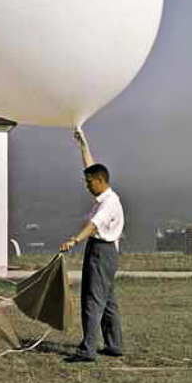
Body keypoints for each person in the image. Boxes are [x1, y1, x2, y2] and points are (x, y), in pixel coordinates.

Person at [60, 127, 124, 363]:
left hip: (102, 252)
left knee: (93, 299)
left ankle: (88, 350)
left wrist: (74, 241)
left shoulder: (109, 204)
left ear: (100, 181)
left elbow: (93, 226)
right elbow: (91, 166)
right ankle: (114, 345)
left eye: (89, 182)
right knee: (107, 299)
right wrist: (83, 144)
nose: (86, 185)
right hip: (103, 252)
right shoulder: (104, 195)